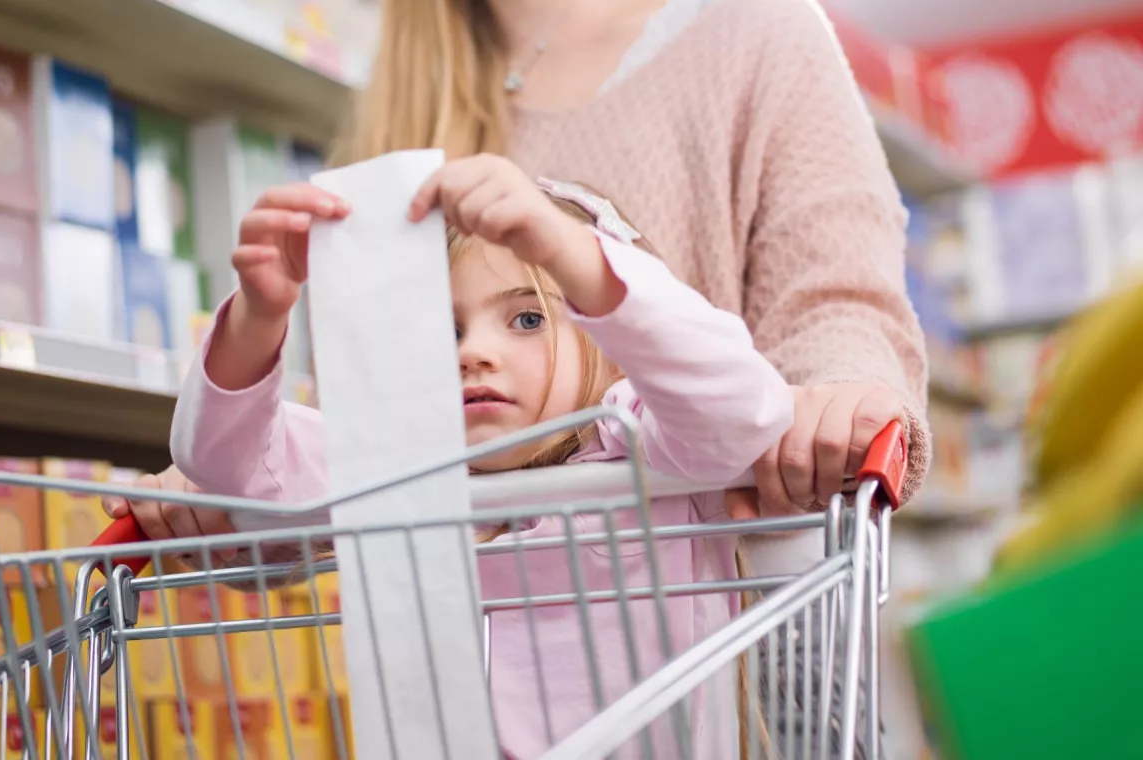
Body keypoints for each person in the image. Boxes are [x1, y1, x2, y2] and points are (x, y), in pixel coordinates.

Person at [166, 154, 794, 758]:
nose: (474, 353)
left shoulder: (647, 439)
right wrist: (258, 315)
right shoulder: (407, 466)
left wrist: (570, 253)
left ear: (613, 345)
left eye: (526, 319)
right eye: (447, 331)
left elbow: (746, 412)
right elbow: (231, 468)